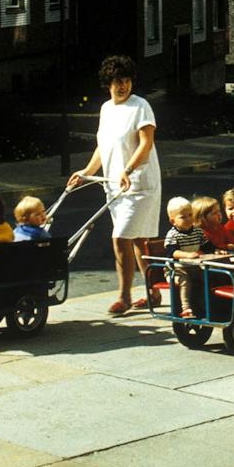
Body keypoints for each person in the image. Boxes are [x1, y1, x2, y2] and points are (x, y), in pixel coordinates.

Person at [67, 54, 163, 316]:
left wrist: (128, 169)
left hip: (140, 184)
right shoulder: (106, 109)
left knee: (120, 237)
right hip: (114, 185)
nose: (122, 86)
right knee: (139, 241)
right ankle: (153, 290)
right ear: (107, 83)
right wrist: (86, 172)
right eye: (117, 81)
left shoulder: (140, 106)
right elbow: (104, 146)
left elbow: (146, 143)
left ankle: (124, 296)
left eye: (126, 80)